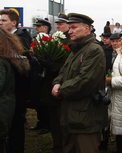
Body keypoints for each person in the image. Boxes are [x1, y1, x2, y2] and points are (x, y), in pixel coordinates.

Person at [51, 13, 108, 153]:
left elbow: (85, 81)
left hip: (86, 117)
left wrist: (61, 90)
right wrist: (57, 83)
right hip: (71, 115)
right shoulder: (76, 50)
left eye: (74, 27)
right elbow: (63, 72)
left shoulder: (93, 50)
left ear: (86, 29)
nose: (69, 31)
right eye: (69, 28)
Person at [39, 12, 72, 153]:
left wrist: (52, 65)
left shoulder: (70, 41)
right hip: (50, 85)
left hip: (62, 86)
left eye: (61, 24)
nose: (58, 26)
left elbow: (69, 65)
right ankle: (57, 145)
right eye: (57, 24)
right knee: (54, 121)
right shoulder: (54, 39)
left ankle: (64, 146)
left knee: (62, 122)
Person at [0, 9, 32, 153]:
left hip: (16, 90)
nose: (0, 23)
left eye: (4, 20)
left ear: (14, 23)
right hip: (10, 91)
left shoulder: (21, 38)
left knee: (16, 125)